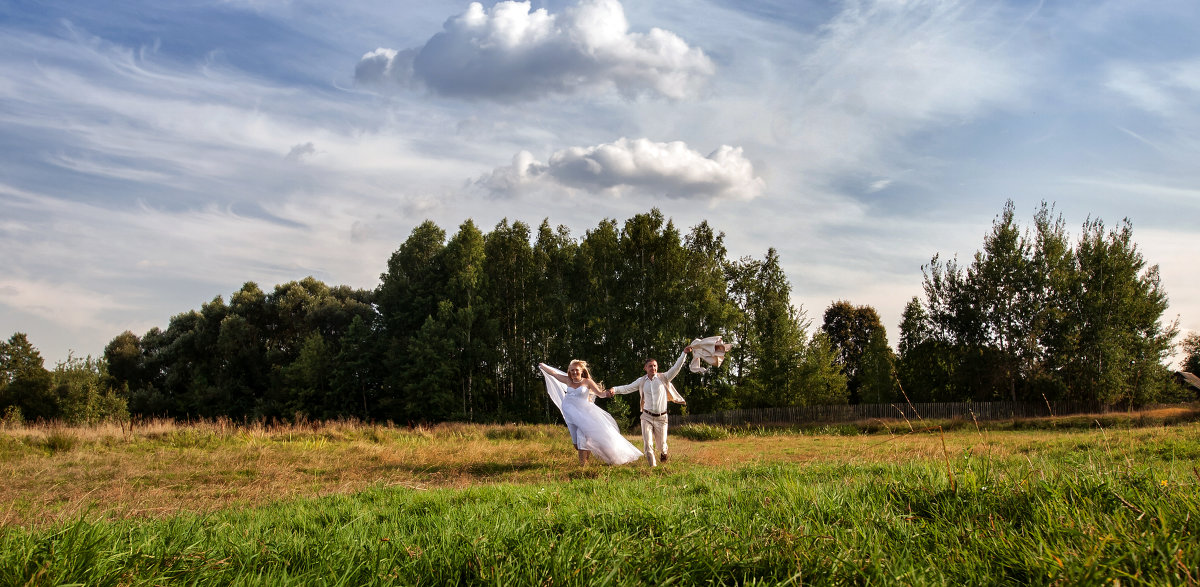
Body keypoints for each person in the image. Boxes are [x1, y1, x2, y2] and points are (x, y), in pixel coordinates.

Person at [538, 360, 643, 466]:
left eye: (577, 370)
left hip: (584, 415)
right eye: (572, 370)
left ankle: (583, 465)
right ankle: (585, 459)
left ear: (582, 370)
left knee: (582, 436)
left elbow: (600, 394)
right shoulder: (568, 380)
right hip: (570, 416)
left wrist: (608, 393)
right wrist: (543, 366)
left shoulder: (587, 382)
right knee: (576, 444)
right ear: (569, 372)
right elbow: (554, 374)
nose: (574, 372)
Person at [608, 346, 692, 467]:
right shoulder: (641, 381)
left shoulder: (664, 378)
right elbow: (627, 388)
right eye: (650, 366)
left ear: (657, 367)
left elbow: (676, 368)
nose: (653, 368)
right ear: (645, 368)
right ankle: (653, 467)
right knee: (648, 444)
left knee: (661, 445)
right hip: (646, 416)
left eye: (654, 366)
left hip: (662, 418)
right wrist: (614, 389)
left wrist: (684, 354)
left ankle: (664, 454)